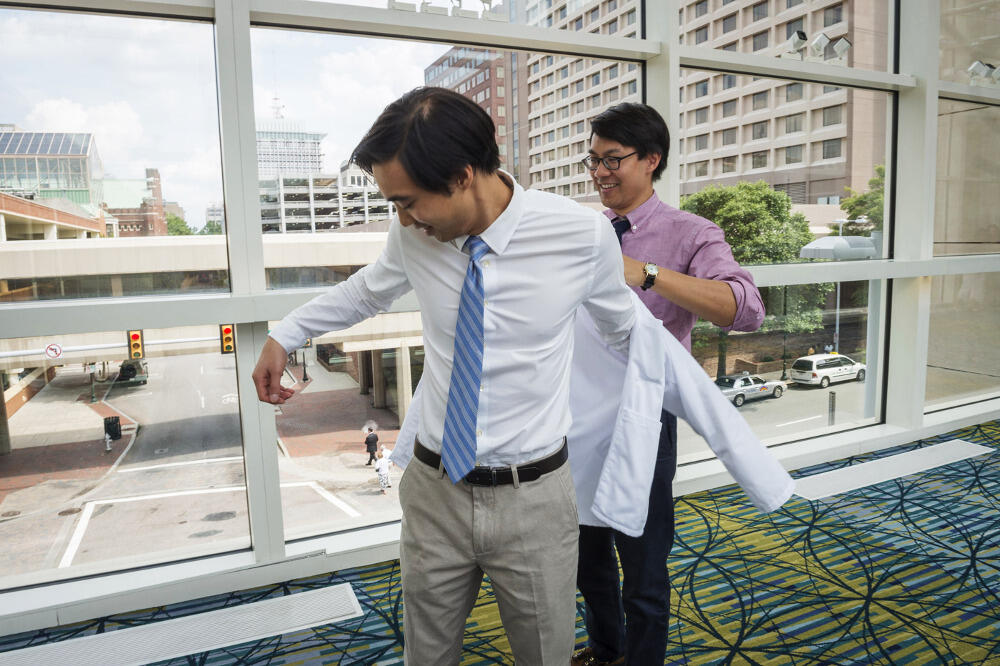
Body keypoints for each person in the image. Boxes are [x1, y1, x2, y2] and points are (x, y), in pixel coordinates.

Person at [252, 86, 635, 664]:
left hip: (534, 496)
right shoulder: (414, 233)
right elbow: (368, 289)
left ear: (461, 175)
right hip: (435, 488)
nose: (403, 218)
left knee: (545, 655)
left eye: (408, 201)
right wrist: (287, 333)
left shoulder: (580, 235)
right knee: (426, 656)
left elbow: (623, 330)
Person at [573, 102, 766, 666]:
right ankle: (607, 651)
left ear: (652, 160)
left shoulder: (691, 232)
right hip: (575, 413)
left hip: (644, 416)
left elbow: (745, 309)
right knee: (586, 559)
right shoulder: (584, 230)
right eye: (594, 160)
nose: (601, 173)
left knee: (643, 565)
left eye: (614, 160)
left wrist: (647, 273)